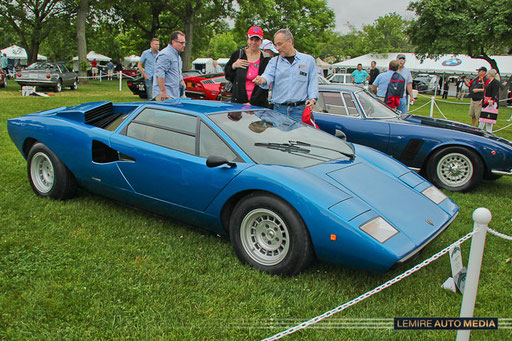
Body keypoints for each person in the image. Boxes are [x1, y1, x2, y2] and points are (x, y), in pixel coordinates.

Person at [253, 28, 318, 121]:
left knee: (300, 136)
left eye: (279, 44)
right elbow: (267, 76)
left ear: (290, 42)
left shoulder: (308, 60)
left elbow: (313, 83)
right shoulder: (274, 62)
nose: (277, 48)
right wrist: (262, 80)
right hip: (279, 110)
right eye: (275, 45)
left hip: (300, 111)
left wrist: (312, 99)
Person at [224, 26, 271, 108]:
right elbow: (228, 76)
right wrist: (233, 66)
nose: (253, 42)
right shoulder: (238, 54)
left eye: (257, 40)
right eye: (251, 39)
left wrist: (252, 103)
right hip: (238, 103)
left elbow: (265, 84)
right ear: (247, 39)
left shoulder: (266, 58)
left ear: (261, 41)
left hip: (258, 104)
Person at [153, 31, 186, 101]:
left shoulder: (177, 56)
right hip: (165, 95)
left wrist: (181, 80)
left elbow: (177, 72)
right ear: (173, 42)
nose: (184, 45)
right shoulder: (165, 54)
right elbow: (160, 74)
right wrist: (163, 91)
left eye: (184, 42)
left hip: (175, 94)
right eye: (181, 43)